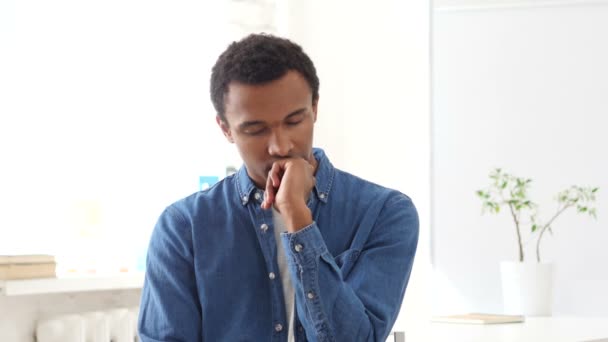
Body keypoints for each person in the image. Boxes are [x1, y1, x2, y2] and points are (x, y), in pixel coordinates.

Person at [138, 33, 419, 342]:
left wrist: (298, 219)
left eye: (294, 121)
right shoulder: (183, 227)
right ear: (225, 129)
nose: (281, 146)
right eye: (256, 130)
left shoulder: (384, 213)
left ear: (315, 108)